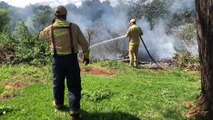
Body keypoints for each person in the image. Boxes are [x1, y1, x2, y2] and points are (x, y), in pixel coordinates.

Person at [39, 5, 89, 120]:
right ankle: (74, 112)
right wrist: (86, 56)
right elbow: (84, 44)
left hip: (57, 61)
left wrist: (52, 24)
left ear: (55, 16)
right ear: (66, 15)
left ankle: (58, 104)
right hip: (71, 60)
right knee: (74, 85)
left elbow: (40, 37)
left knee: (58, 83)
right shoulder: (74, 27)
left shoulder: (50, 28)